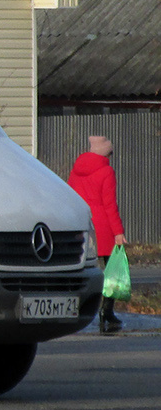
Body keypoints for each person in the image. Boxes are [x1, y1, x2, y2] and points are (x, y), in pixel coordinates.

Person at [68, 135, 127, 334]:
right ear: (106, 153)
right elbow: (109, 204)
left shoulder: (76, 170)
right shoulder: (106, 171)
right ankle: (106, 311)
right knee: (112, 271)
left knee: (79, 268)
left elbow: (70, 196)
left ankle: (74, 308)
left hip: (82, 223)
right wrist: (118, 232)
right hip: (102, 226)